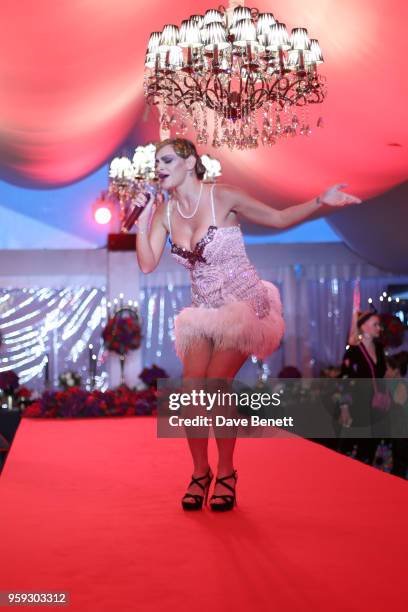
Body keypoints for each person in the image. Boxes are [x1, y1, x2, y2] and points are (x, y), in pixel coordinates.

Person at [135, 137, 361, 511]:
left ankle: (226, 472)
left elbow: (277, 218)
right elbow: (146, 264)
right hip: (202, 311)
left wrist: (321, 201)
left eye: (167, 160)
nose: (159, 167)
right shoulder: (166, 212)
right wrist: (144, 223)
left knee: (215, 383)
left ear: (190, 162)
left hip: (244, 305)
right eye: (157, 162)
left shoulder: (222, 197)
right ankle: (200, 472)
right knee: (192, 390)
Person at [337, 310, 389, 463]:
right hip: (357, 406)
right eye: (375, 324)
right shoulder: (353, 351)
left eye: (379, 324)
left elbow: (383, 375)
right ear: (364, 327)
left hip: (377, 405)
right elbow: (344, 380)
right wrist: (344, 407)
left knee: (373, 447)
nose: (379, 328)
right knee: (358, 449)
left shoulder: (379, 349)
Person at [386, 351, 408, 478]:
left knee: (399, 465)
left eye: (387, 368)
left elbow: (397, 408)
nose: (385, 372)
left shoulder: (400, 385)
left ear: (396, 370)